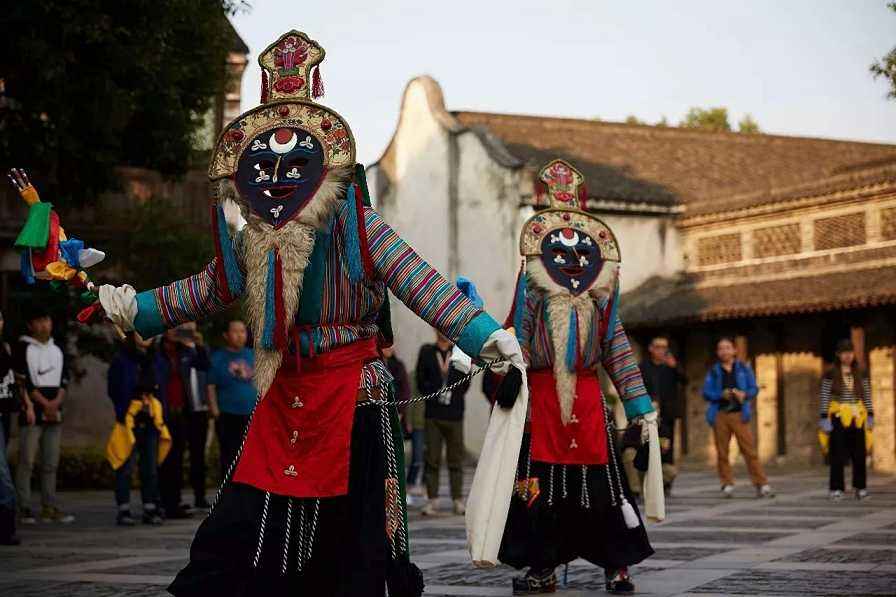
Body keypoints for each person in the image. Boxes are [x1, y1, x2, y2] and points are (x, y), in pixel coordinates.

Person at [98, 28, 524, 597]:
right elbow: (212, 285)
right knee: (248, 517)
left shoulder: (359, 224)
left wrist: (482, 335)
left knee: (358, 536)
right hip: (284, 387)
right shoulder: (253, 233)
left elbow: (421, 282)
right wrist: (139, 309)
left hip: (352, 390)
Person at [496, 160, 660, 595]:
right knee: (540, 489)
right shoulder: (531, 286)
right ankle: (542, 567)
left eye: (581, 252)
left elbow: (618, 350)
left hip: (588, 405)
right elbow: (518, 338)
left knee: (604, 488)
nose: (571, 261)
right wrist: (508, 371)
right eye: (560, 251)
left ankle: (617, 566)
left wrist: (640, 405)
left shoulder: (603, 295)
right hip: (544, 402)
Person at [13, 306, 74, 524]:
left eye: (46, 320)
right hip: (31, 412)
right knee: (26, 461)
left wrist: (55, 403)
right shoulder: (22, 348)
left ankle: (50, 506)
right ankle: (23, 507)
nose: (43, 325)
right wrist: (43, 403)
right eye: (38, 321)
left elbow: (65, 378)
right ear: (30, 325)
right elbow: (24, 381)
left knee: (50, 462)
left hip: (54, 412)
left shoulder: (58, 348)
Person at [107, 332, 167, 525]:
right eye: (141, 332)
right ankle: (123, 508)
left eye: (149, 332)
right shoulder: (121, 359)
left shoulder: (156, 359)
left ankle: (150, 507)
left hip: (151, 418)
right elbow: (114, 388)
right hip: (129, 418)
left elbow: (161, 387)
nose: (146, 336)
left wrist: (155, 407)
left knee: (150, 466)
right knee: (125, 464)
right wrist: (124, 409)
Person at [702, 337, 773, 498]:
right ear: (717, 352)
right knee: (722, 452)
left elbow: (754, 388)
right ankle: (727, 483)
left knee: (749, 450)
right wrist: (721, 395)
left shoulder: (743, 368)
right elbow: (706, 392)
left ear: (734, 350)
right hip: (720, 414)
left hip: (739, 414)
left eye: (727, 348)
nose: (724, 351)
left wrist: (744, 394)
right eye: (721, 348)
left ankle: (761, 483)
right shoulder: (714, 371)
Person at [153, 322, 211, 518]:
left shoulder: (185, 350)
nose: (175, 331)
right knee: (165, 458)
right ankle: (163, 501)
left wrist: (192, 343)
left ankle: (174, 502)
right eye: (172, 326)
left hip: (182, 412)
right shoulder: (156, 349)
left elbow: (204, 365)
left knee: (177, 458)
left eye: (178, 327)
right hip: (162, 411)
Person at [416, 331, 470, 516]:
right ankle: (432, 499)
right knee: (432, 458)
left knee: (456, 459)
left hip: (454, 414)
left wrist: (453, 395)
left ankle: (457, 499)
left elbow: (466, 381)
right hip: (433, 414)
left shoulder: (460, 353)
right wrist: (433, 393)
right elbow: (420, 379)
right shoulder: (427, 351)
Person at [819, 339, 873, 500]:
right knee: (837, 454)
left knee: (859, 453)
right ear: (838, 355)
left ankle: (860, 487)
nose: (848, 356)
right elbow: (824, 396)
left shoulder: (861, 372)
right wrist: (823, 417)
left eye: (850, 352)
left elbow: (866, 394)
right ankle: (836, 488)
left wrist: (870, 414)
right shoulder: (830, 373)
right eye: (844, 353)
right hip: (838, 416)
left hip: (857, 416)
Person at [208, 319, 256, 478]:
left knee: (250, 455)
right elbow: (210, 385)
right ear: (226, 335)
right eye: (235, 332)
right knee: (229, 454)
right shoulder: (218, 357)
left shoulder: (252, 355)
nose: (240, 335)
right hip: (227, 413)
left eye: (242, 331)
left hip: (251, 413)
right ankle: (227, 493)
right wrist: (214, 410)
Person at [638, 336, 686, 494]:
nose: (662, 350)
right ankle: (647, 481)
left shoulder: (671, 366)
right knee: (649, 446)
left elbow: (685, 380)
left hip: (667, 415)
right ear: (651, 348)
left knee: (667, 448)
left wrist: (675, 367)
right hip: (648, 414)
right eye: (658, 347)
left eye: (665, 347)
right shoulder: (643, 366)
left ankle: (666, 483)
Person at [0, 310, 24, 545]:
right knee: (3, 473)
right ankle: (7, 526)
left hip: (5, 414)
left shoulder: (5, 348)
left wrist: (24, 402)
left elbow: (15, 379)